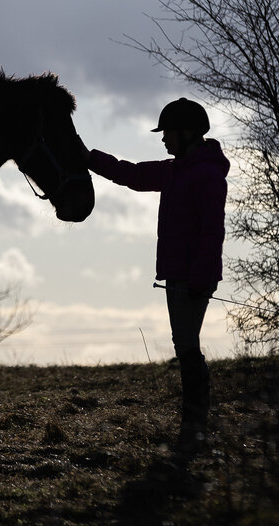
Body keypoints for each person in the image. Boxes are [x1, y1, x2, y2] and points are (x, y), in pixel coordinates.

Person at [81, 97, 230, 450]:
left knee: (188, 348)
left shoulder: (207, 176)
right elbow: (130, 174)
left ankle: (195, 428)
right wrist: (89, 158)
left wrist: (200, 277)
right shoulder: (174, 170)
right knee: (185, 347)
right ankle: (193, 426)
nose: (163, 141)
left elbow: (213, 232)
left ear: (188, 133)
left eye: (168, 134)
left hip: (193, 277)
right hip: (178, 275)